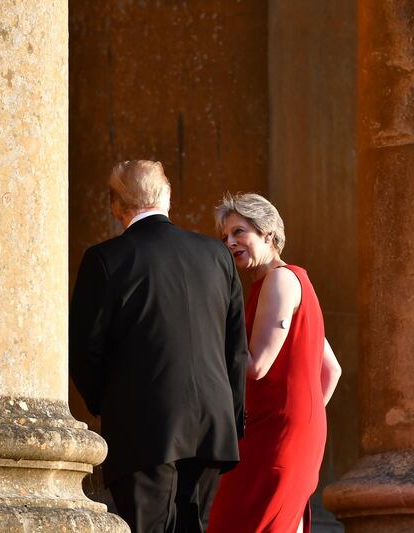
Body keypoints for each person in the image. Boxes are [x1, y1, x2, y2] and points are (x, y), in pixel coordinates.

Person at [69, 161, 248, 533]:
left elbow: (84, 351)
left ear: (116, 207)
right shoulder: (217, 257)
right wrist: (231, 415)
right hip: (212, 428)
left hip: (143, 425)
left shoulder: (105, 260)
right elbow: (236, 349)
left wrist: (107, 403)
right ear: (167, 198)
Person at [207, 193, 342, 533]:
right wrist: (303, 417)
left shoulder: (280, 281)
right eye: (225, 237)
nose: (230, 242)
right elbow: (331, 370)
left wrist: (213, 321)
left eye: (239, 232)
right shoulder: (288, 282)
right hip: (279, 429)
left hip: (275, 434)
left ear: (268, 233)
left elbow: (256, 366)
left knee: (250, 520)